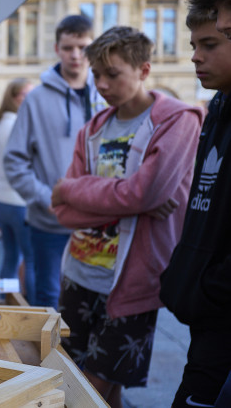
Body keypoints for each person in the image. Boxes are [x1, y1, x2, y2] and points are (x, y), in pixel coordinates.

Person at [50, 25, 202, 407]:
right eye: (96, 74)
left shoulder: (177, 121)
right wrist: (131, 200)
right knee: (100, 390)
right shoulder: (93, 128)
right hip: (79, 273)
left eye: (112, 74)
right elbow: (63, 212)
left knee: (81, 393)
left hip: (131, 284)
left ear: (144, 70)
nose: (101, 84)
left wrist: (72, 187)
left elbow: (145, 192)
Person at [159, 0, 231, 404]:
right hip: (206, 322)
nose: (194, 56)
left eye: (210, 44)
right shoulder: (217, 109)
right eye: (193, 43)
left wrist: (208, 289)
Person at [3, 14, 105, 308]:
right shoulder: (36, 100)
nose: (76, 55)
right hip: (49, 221)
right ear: (56, 48)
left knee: (88, 301)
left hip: (96, 222)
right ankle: (44, 356)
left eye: (83, 47)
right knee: (47, 297)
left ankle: (74, 356)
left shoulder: (105, 95)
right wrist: (44, 197)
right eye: (68, 47)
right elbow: (14, 160)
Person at [0, 78, 35, 301]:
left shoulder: (1, 123)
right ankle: (34, 311)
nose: (31, 100)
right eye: (26, 95)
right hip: (18, 200)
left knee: (11, 257)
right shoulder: (16, 126)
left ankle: (1, 303)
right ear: (14, 98)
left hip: (1, 197)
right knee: (30, 259)